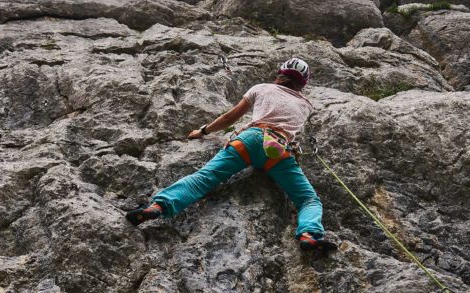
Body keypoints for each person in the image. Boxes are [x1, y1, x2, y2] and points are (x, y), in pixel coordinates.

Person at [125, 57, 337, 251]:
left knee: (204, 178)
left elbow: (229, 118)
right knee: (308, 199)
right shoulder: (306, 105)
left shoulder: (261, 88)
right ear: (303, 85)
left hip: (249, 139)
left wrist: (203, 131)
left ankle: (158, 206)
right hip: (278, 150)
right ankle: (309, 234)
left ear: (279, 75)